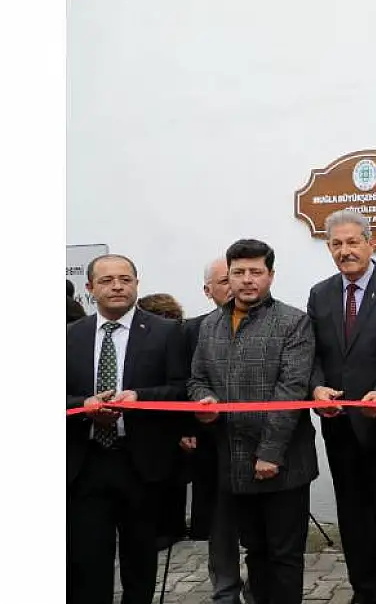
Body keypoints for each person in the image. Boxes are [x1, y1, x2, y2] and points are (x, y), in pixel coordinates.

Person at [189, 239, 318, 604]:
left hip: (284, 462)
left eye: (256, 272)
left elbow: (291, 390)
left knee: (284, 555)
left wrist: (271, 453)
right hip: (233, 461)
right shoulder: (211, 325)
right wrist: (203, 400)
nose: (247, 280)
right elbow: (196, 378)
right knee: (255, 552)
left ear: (271, 275)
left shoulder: (293, 322)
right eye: (238, 272)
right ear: (227, 276)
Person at [307, 209, 376, 604]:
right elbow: (314, 353)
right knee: (352, 518)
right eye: (336, 244)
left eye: (353, 241)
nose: (345, 250)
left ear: (371, 243)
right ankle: (361, 591)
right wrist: (317, 387)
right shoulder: (319, 294)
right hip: (338, 426)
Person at [66, 254, 188, 604]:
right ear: (90, 288)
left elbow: (181, 390)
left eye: (125, 279)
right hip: (85, 463)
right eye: (106, 281)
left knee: (140, 559)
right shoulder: (70, 336)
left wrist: (139, 398)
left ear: (136, 283)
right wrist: (84, 407)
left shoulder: (166, 332)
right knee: (87, 561)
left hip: (142, 463)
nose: (117, 286)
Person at [182, 257, 248, 604]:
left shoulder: (275, 322)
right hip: (211, 445)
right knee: (220, 526)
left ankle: (259, 587)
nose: (234, 285)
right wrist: (187, 427)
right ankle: (225, 590)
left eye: (238, 276)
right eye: (225, 280)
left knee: (258, 526)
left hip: (256, 444)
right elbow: (185, 382)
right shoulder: (192, 330)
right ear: (208, 290)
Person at [136, 292, 191, 551]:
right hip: (164, 425)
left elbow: (181, 385)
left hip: (168, 422)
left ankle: (168, 529)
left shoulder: (170, 337)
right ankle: (172, 527)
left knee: (170, 482)